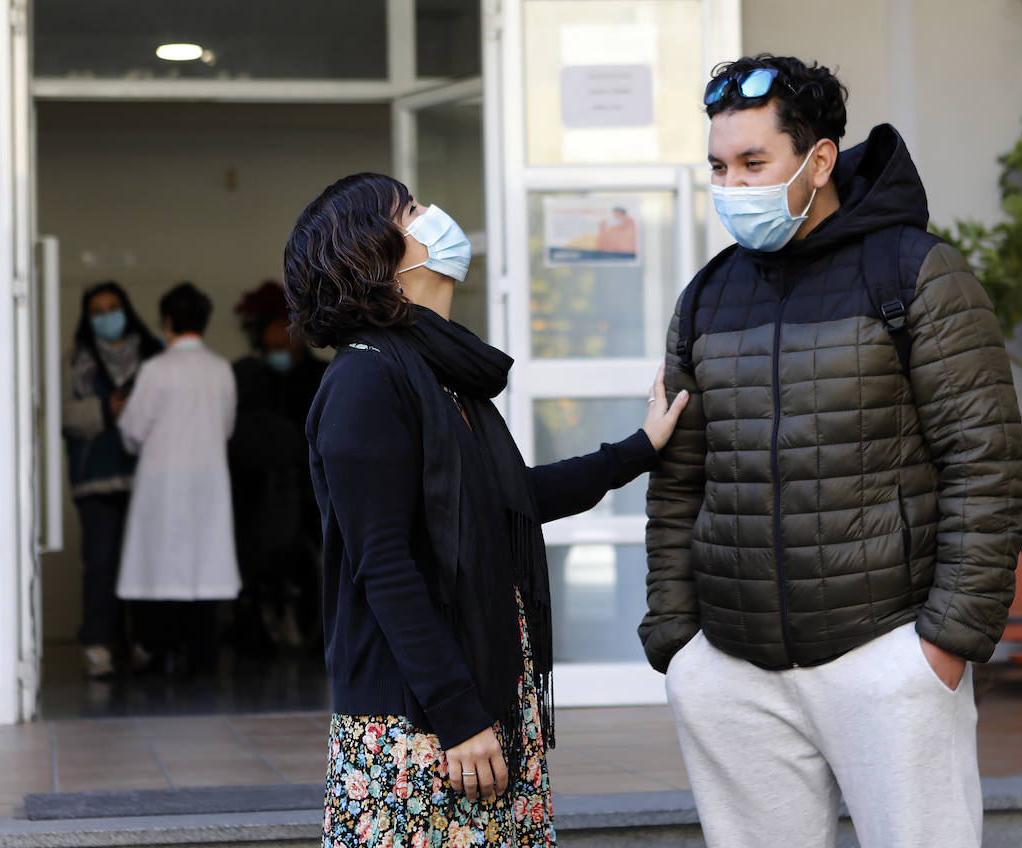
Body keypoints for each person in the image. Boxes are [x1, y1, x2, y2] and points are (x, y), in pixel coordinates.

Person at [640, 54, 1022, 848]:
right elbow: (679, 481)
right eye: (719, 165)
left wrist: (945, 645)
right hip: (731, 666)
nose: (734, 185)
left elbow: (986, 468)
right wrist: (679, 643)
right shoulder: (709, 295)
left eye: (755, 162)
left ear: (818, 160)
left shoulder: (918, 273)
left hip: (886, 651)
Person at [283, 172, 689, 847]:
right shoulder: (365, 380)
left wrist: (639, 449)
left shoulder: (442, 376)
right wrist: (458, 717)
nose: (434, 217)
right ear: (375, 255)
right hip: (420, 724)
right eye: (410, 211)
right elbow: (383, 565)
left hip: (476, 705)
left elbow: (514, 500)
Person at [116, 282, 239, 677]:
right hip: (208, 481)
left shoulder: (156, 370)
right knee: (205, 569)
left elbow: (133, 429)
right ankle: (202, 657)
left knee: (159, 567)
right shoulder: (221, 369)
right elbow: (226, 426)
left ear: (167, 321)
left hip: (162, 484)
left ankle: (161, 653)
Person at [61, 281, 164, 679]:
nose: (108, 317)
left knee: (146, 562)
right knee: (101, 562)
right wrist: (108, 407)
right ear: (88, 319)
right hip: (95, 478)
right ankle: (99, 644)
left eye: (114, 308)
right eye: (98, 311)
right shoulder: (75, 360)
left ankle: (146, 642)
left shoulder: (155, 353)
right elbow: (64, 416)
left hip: (148, 478)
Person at [228, 280, 328, 653]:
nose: (276, 354)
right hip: (265, 497)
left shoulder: (321, 379)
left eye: (281, 346)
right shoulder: (258, 382)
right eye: (269, 348)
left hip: (310, 493)